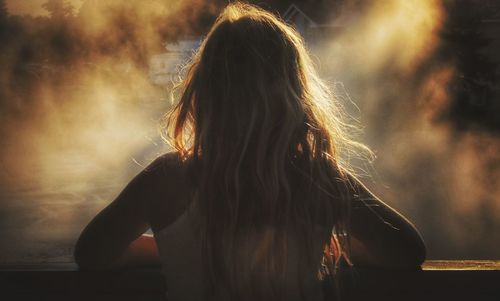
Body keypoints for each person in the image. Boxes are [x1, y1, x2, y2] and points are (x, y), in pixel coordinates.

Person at [74, 2, 426, 301]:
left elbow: (91, 255)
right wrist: (325, 246)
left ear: (204, 93)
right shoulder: (319, 177)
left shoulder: (166, 178)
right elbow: (407, 253)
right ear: (294, 95)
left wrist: (164, 248)